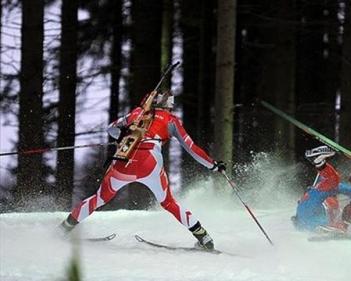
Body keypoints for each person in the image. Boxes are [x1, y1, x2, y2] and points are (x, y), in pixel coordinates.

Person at [59, 91, 226, 250]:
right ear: (167, 106)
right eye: (170, 106)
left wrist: (122, 136)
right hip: (150, 164)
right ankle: (204, 237)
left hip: (123, 163)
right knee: (169, 203)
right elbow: (191, 147)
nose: (170, 109)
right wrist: (212, 165)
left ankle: (64, 229)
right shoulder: (171, 120)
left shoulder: (137, 113)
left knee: (99, 198)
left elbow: (111, 128)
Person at [292, 146, 351, 231]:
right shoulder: (328, 195)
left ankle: (318, 162)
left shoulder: (315, 192)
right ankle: (318, 160)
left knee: (334, 181)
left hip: (302, 219)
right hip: (310, 215)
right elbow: (350, 191)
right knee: (334, 181)